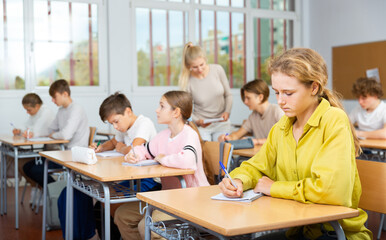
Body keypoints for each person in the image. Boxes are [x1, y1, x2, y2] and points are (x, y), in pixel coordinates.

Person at [219, 48, 372, 240]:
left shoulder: (334, 120)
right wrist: (238, 180)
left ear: (314, 88)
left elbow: (331, 191)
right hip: (300, 228)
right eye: (277, 92)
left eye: (289, 93)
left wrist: (273, 187)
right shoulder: (282, 126)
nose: (281, 101)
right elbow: (256, 166)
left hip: (335, 232)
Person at [114, 90, 210, 240]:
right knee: (122, 215)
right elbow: (144, 149)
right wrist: (134, 154)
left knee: (145, 227)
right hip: (167, 196)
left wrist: (163, 158)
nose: (156, 110)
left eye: (162, 106)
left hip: (191, 198)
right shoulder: (164, 135)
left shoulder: (189, 134)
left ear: (176, 112)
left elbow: (188, 161)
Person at [23, 79, 89, 187]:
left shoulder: (76, 109)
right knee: (27, 167)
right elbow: (50, 129)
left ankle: (55, 190)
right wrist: (50, 133)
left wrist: (53, 135)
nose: (53, 101)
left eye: (54, 97)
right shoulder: (61, 110)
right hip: (62, 152)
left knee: (36, 170)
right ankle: (54, 189)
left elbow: (65, 135)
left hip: (73, 155)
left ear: (65, 94)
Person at [179, 42, 233, 141]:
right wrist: (197, 121)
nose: (199, 69)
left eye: (202, 64)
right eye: (194, 67)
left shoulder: (217, 70)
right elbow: (186, 109)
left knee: (222, 152)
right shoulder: (187, 81)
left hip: (222, 123)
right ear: (188, 66)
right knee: (207, 153)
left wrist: (227, 111)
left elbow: (228, 95)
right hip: (202, 126)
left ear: (205, 59)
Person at [218, 79, 283, 145]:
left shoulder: (277, 111)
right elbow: (238, 135)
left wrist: (256, 141)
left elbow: (282, 138)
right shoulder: (253, 116)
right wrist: (228, 137)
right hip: (260, 153)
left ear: (260, 97)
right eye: (245, 98)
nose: (245, 102)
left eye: (248, 98)